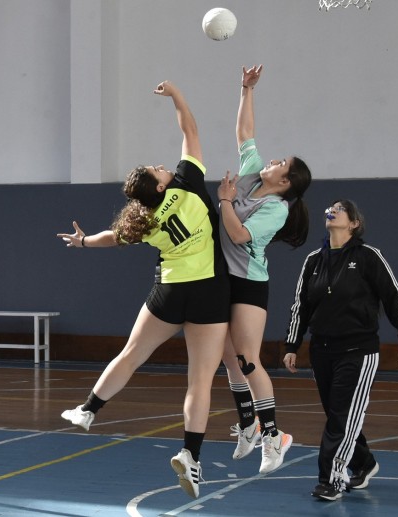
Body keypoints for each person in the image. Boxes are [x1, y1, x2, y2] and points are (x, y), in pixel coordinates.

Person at [57, 80, 229, 499]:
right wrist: (178, 97)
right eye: (157, 169)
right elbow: (190, 131)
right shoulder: (187, 183)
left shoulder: (143, 219)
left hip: (169, 292)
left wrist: (82, 242)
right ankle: (191, 455)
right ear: (159, 186)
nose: (163, 166)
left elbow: (110, 238)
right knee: (200, 380)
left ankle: (87, 410)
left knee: (131, 354)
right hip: (208, 291)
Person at [282, 199, 398, 501]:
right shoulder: (314, 260)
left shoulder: (369, 257)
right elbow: (300, 307)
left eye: (340, 208)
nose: (332, 210)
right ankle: (364, 463)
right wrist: (293, 344)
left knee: (341, 419)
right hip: (322, 350)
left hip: (358, 350)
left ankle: (331, 479)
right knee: (336, 415)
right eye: (329, 207)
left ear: (354, 223)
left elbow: (393, 298)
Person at [217, 64, 312, 474]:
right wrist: (246, 89)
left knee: (249, 359)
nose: (272, 159)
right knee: (227, 357)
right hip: (223, 278)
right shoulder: (253, 173)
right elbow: (245, 133)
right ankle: (248, 424)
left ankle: (275, 436)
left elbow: (238, 236)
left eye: (281, 162)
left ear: (286, 181)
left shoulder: (275, 208)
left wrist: (224, 200)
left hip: (249, 284)